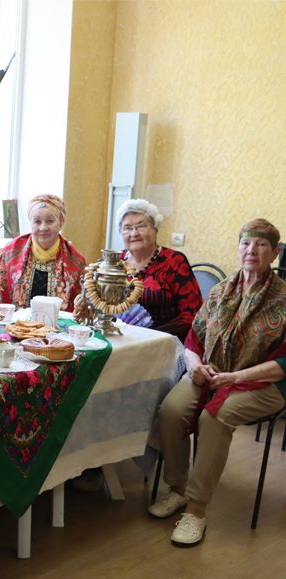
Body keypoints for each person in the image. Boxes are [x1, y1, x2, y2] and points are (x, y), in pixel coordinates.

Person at [149, 219, 286, 547]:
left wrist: (235, 377)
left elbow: (282, 364)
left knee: (215, 415)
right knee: (170, 409)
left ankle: (197, 509)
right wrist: (195, 367)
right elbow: (193, 340)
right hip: (212, 373)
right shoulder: (221, 290)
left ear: (275, 252)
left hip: (263, 384)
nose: (251, 250)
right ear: (238, 248)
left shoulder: (283, 298)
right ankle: (178, 489)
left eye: (261, 244)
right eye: (245, 243)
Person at [117, 199, 202, 341]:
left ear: (155, 230)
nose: (134, 233)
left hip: (161, 344)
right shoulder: (116, 262)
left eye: (141, 226)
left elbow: (191, 315)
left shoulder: (174, 261)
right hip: (119, 340)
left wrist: (151, 336)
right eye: (127, 228)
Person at [0, 194, 85, 311]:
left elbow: (83, 306)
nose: (43, 228)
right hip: (16, 327)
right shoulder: (10, 252)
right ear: (31, 223)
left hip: (59, 328)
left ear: (60, 222)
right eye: (37, 221)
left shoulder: (76, 261)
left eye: (50, 221)